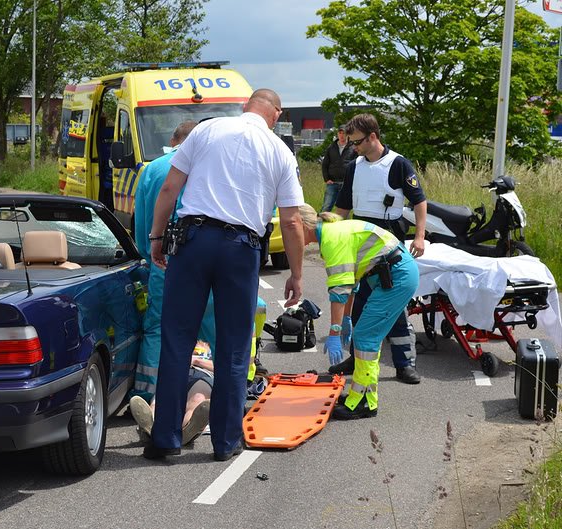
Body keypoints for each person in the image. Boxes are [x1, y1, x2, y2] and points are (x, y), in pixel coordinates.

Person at [144, 88, 305, 462]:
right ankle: (226, 442)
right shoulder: (280, 151)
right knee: (234, 348)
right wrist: (297, 274)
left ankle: (165, 438)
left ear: (244, 106)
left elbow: (170, 187)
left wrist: (156, 236)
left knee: (177, 341)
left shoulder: (207, 129)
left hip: (192, 241)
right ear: (275, 115)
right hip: (240, 249)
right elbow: (293, 220)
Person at [331, 113, 427, 385]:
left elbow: (419, 201)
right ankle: (356, 358)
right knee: (360, 305)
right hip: (361, 247)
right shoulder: (354, 167)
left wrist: (419, 237)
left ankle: (404, 364)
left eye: (357, 142)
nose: (354, 148)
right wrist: (330, 232)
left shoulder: (398, 164)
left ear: (373, 137)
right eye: (351, 143)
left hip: (388, 248)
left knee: (393, 309)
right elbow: (343, 206)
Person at [299, 204, 419, 419]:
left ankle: (363, 402)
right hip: (392, 275)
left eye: (292, 229)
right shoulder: (333, 232)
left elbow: (339, 291)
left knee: (366, 337)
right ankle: (363, 397)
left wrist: (335, 331)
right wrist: (346, 318)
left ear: (302, 225)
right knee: (367, 337)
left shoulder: (331, 239)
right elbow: (352, 283)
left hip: (397, 276)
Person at [132, 121, 216, 402]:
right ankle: (219, 393)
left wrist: (150, 252)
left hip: (165, 260)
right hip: (209, 258)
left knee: (159, 328)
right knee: (213, 328)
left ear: (173, 139)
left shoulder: (153, 169)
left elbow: (143, 219)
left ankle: (149, 393)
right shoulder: (209, 165)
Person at [129, 341, 213, 446]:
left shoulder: (214, 342)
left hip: (202, 374)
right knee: (161, 401)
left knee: (198, 398)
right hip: (176, 372)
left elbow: (224, 367)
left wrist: (196, 361)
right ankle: (149, 428)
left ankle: (186, 431)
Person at [320, 124, 356, 212]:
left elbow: (356, 165)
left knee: (343, 209)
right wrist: (326, 179)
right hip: (332, 183)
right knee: (326, 206)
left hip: (346, 183)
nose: (341, 135)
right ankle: (319, 224)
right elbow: (325, 164)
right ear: (337, 134)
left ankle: (342, 225)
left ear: (347, 135)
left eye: (343, 133)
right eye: (340, 133)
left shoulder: (353, 148)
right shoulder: (331, 147)